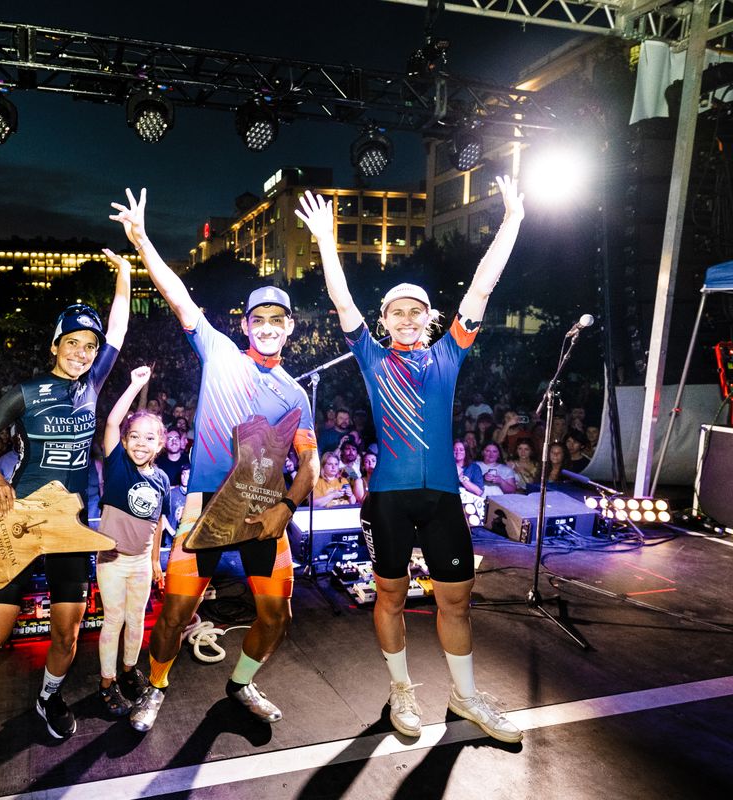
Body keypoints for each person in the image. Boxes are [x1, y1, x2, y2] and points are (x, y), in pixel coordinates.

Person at [299, 174, 525, 743]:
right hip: (390, 500)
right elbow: (341, 299)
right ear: (384, 321)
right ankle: (401, 690)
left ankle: (465, 696)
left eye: (415, 310)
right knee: (391, 596)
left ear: (430, 317)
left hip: (444, 498)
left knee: (456, 601)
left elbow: (481, 288)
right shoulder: (372, 359)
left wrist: (512, 223)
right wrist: (327, 242)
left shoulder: (450, 354)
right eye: (396, 311)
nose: (406, 317)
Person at [110, 188, 319, 732]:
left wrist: (287, 509)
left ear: (290, 326)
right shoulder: (219, 351)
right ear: (245, 324)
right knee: (176, 614)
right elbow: (177, 295)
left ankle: (241, 682)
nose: (268, 326)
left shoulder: (297, 396)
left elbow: (310, 466)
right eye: (259, 319)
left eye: (279, 319)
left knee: (276, 615)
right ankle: (155, 688)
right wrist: (143, 240)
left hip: (262, 517)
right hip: (202, 512)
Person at [0, 255, 130, 740]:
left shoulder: (92, 385)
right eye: (74, 343)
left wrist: (127, 269)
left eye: (90, 346)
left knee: (67, 633)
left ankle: (49, 697)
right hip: (18, 520)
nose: (83, 352)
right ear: (56, 344)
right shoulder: (25, 391)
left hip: (68, 527)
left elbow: (119, 326)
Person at [95, 366, 170, 718]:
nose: (141, 444)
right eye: (135, 437)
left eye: (149, 438)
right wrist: (134, 385)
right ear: (125, 442)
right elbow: (111, 423)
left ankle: (128, 670)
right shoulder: (117, 467)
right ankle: (107, 683)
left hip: (141, 562)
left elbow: (156, 526)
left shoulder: (162, 481)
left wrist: (155, 562)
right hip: (111, 560)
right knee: (114, 619)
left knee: (137, 619)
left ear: (161, 443)